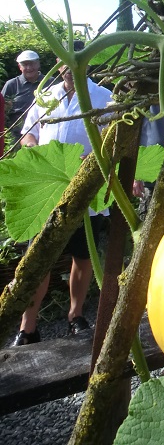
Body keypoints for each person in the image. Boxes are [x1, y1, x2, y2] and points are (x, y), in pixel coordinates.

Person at [13, 44, 112, 346]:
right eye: (64, 60)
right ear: (58, 62)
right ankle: (28, 326)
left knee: (82, 255)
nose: (70, 66)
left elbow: (112, 141)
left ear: (88, 60)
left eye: (77, 59)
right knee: (39, 257)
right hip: (49, 187)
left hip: (85, 188)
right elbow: (28, 132)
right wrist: (34, 148)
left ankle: (75, 315)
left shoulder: (104, 98)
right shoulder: (45, 96)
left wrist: (89, 161)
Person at [1, 50, 43, 143]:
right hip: (16, 135)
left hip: (43, 131)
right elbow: (2, 109)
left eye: (32, 64)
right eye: (25, 65)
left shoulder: (50, 83)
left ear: (38, 64)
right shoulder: (11, 84)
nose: (29, 68)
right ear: (20, 67)